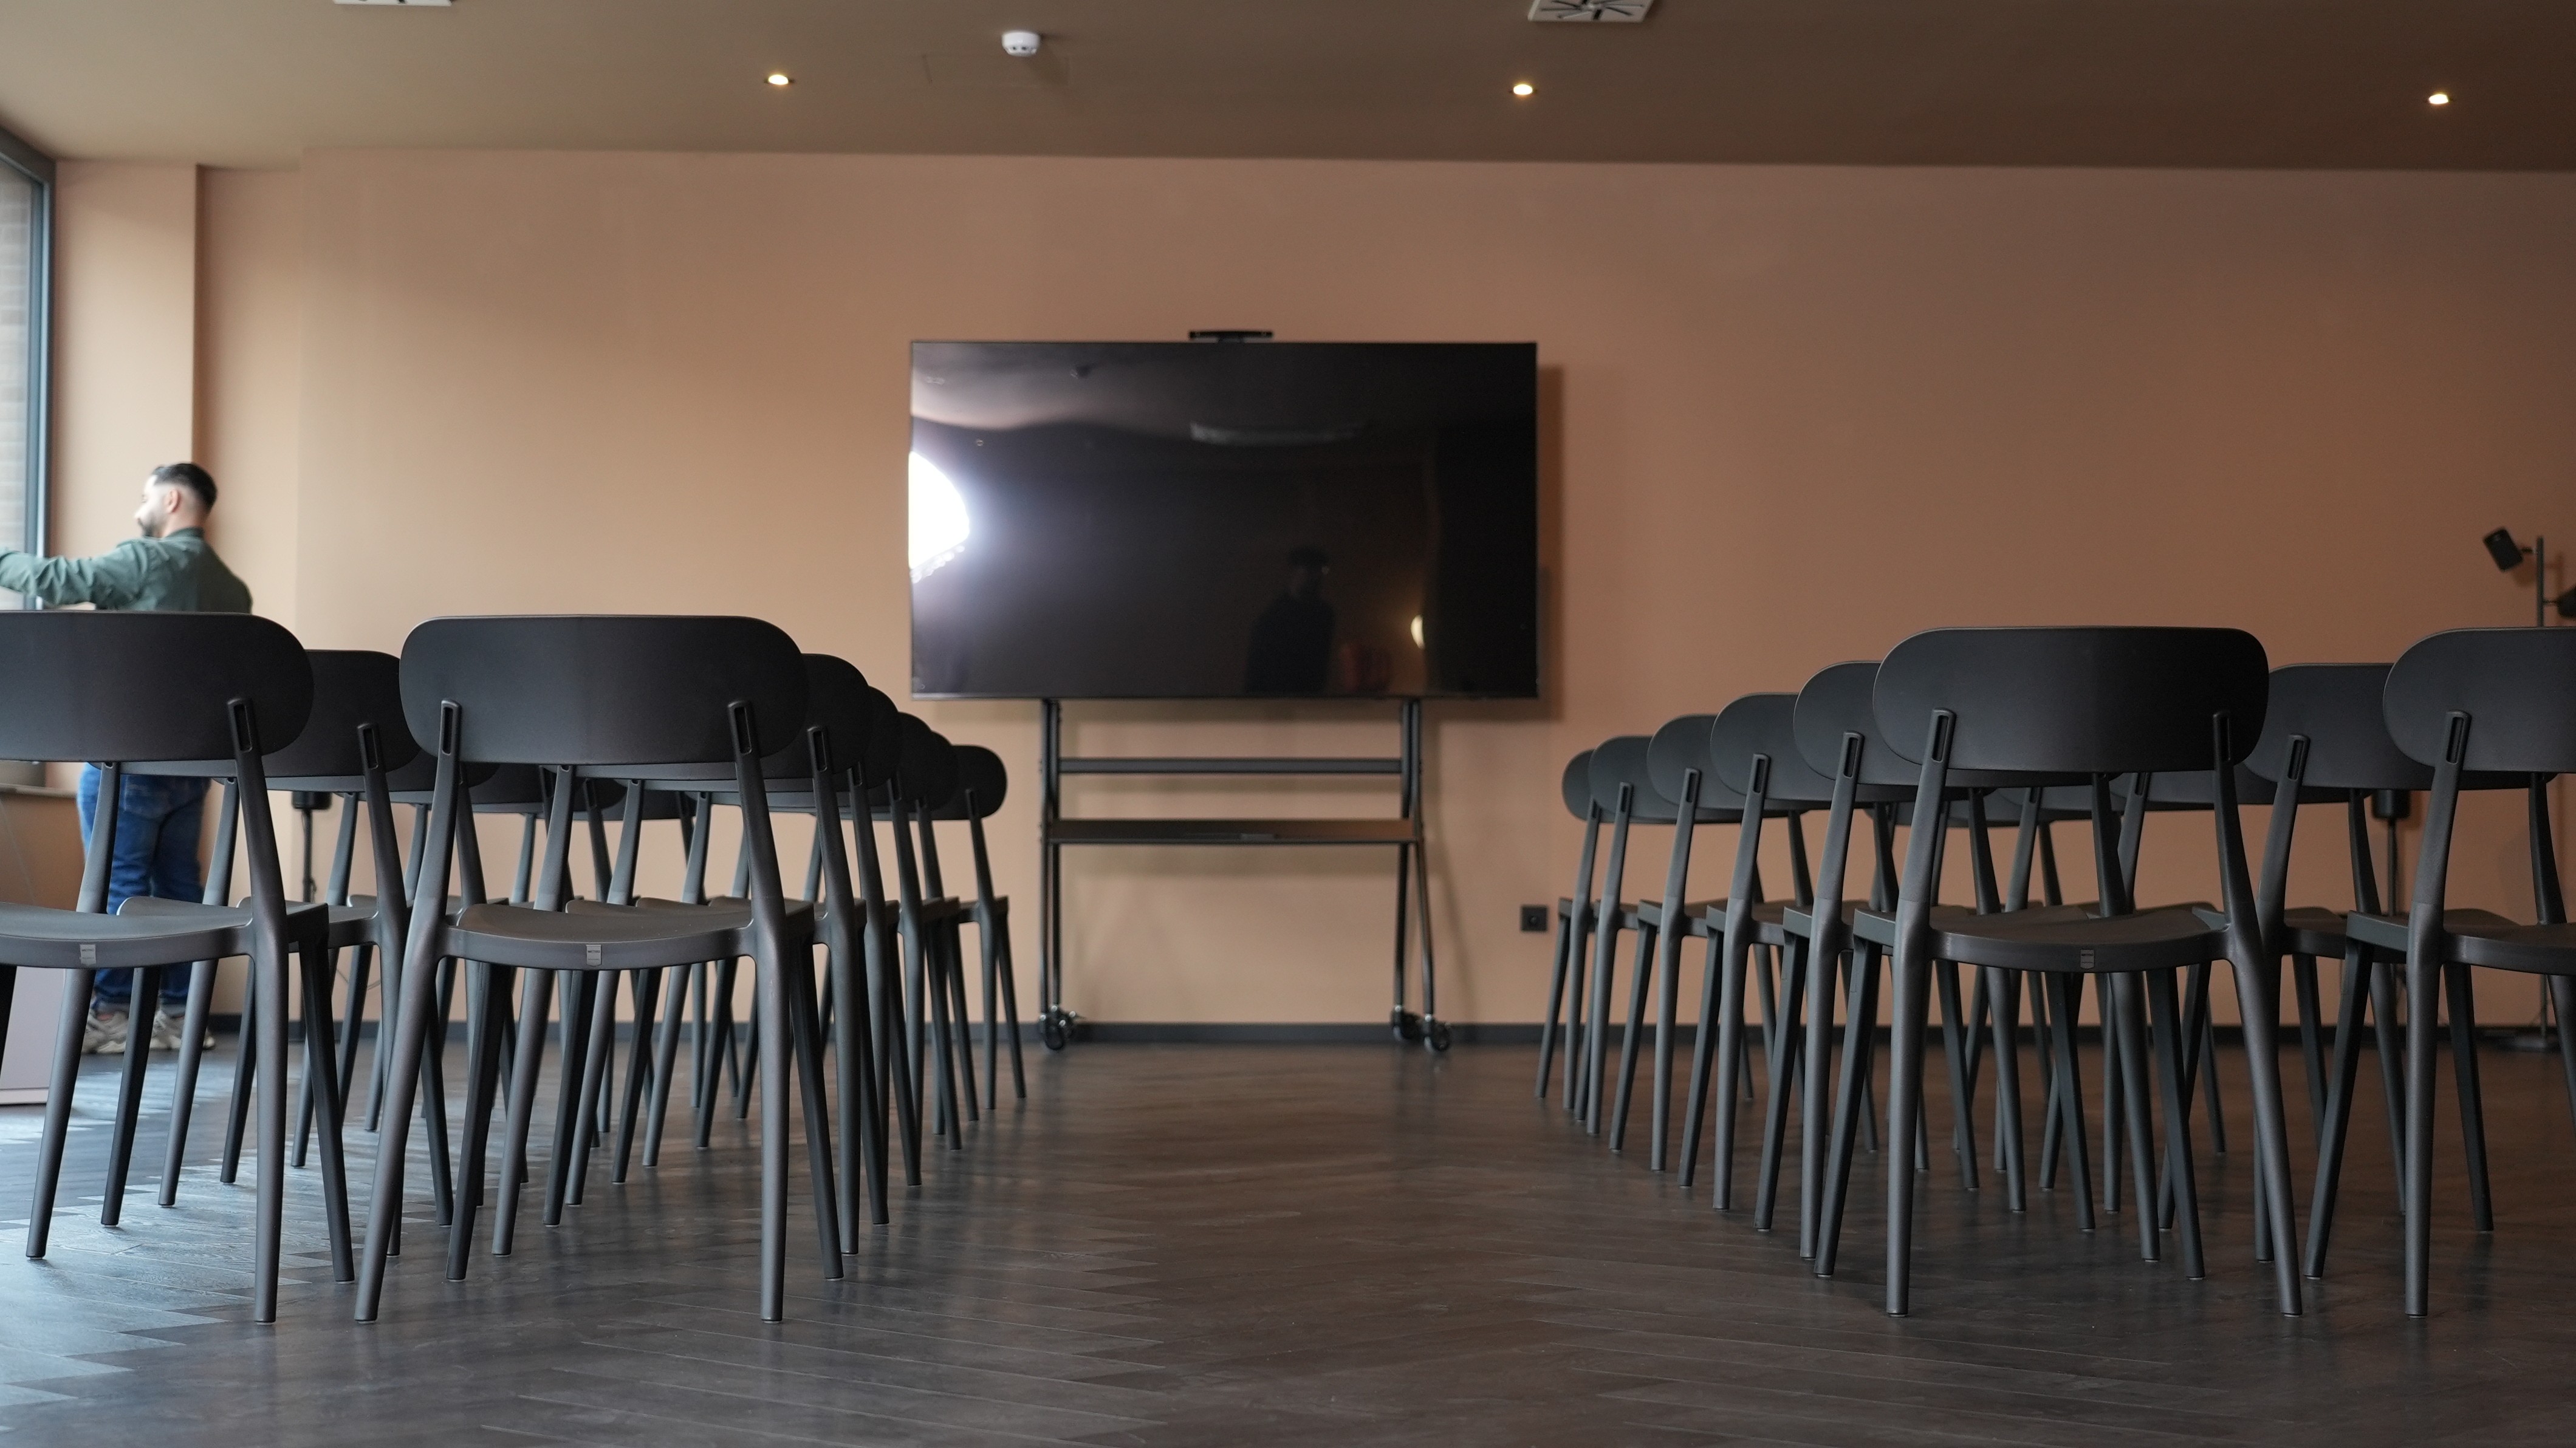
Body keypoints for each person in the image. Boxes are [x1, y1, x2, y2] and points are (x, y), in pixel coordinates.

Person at [0, 462, 252, 1053]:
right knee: (179, 889)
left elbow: (53, 578)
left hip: (128, 757)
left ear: (170, 501)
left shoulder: (148, 559)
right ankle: (180, 1015)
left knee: (119, 882)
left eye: (145, 496)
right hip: (193, 767)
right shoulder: (232, 588)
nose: (139, 507)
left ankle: (112, 1012)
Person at [1243, 545, 1337, 693]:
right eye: (1310, 570)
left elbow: (1320, 667)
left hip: (1310, 704)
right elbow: (1257, 671)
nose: (1317, 577)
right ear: (1295, 572)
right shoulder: (1272, 618)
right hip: (1274, 703)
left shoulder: (1324, 615)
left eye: (1321, 571)